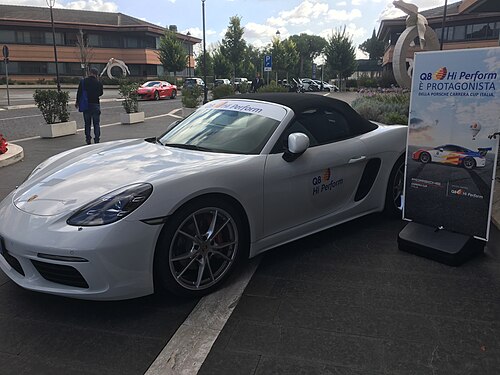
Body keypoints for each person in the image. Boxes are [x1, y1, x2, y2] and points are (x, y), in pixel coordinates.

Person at [76, 67, 103, 144]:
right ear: (96, 74)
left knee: (87, 123)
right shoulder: (98, 83)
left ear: (90, 73)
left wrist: (77, 102)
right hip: (95, 104)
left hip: (86, 105)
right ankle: (97, 139)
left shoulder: (83, 82)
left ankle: (88, 139)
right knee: (96, 123)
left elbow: (79, 92)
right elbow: (101, 93)